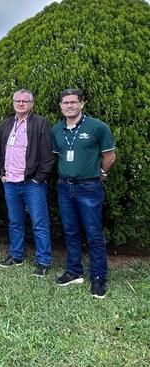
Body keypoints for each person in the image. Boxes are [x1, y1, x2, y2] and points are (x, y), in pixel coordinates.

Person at [52, 88, 116, 299]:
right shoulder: (57, 130)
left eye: (73, 102)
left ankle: (98, 278)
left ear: (82, 104)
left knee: (93, 234)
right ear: (60, 106)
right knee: (70, 231)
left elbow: (109, 156)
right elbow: (58, 156)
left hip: (88, 187)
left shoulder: (97, 127)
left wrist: (102, 172)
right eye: (65, 103)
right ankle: (74, 272)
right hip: (64, 187)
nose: (69, 106)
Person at [0, 89, 54, 276]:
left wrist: (38, 179)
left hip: (31, 184)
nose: (20, 103)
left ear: (31, 104)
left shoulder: (40, 123)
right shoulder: (5, 125)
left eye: (24, 101)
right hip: (10, 182)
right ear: (13, 103)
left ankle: (43, 261)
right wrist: (0, 174)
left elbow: (48, 156)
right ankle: (16, 255)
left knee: (39, 223)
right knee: (15, 222)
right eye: (17, 100)